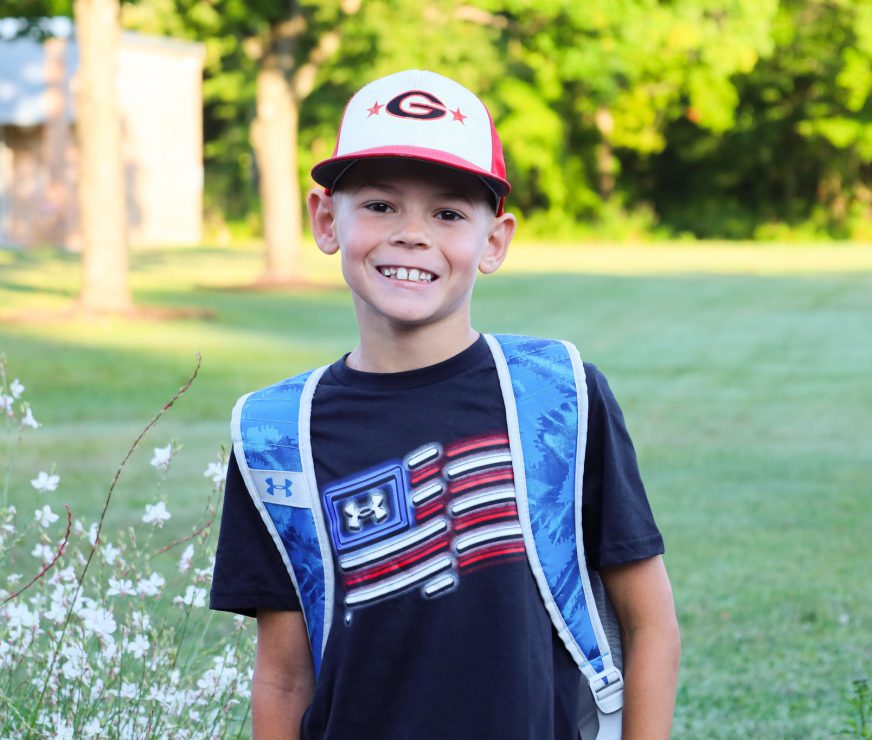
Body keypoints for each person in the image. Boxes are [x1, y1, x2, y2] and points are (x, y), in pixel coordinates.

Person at [210, 69, 680, 740]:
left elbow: (650, 623)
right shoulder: (274, 433)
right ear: (325, 219)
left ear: (494, 240)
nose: (412, 233)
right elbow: (284, 677)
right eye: (378, 204)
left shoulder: (556, 394)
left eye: (449, 212)